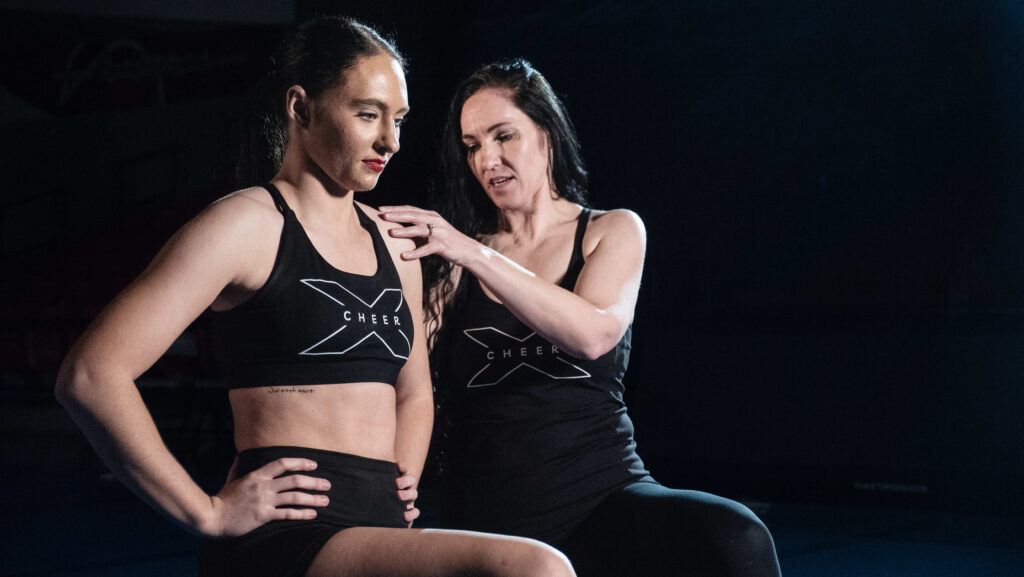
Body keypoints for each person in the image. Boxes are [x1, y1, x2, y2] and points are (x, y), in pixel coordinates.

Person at [55, 19, 576, 577]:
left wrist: (397, 487)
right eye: (368, 114)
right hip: (287, 537)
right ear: (300, 108)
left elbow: (414, 392)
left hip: (375, 531)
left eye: (398, 120)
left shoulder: (394, 242)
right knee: (534, 568)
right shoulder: (245, 225)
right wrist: (204, 511)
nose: (391, 142)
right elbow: (90, 375)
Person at [379, 59, 783, 577]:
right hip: (488, 512)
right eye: (473, 145)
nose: (488, 160)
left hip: (602, 496)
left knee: (735, 535)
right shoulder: (453, 264)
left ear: (547, 135)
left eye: (505, 136)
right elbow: (397, 377)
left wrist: (472, 253)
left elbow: (593, 334)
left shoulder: (609, 231)